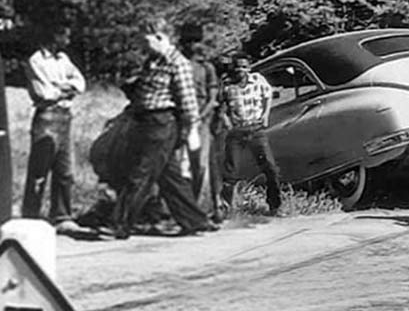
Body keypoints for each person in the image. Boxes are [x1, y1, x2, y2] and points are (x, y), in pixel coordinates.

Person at [109, 17, 217, 239]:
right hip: (145, 123)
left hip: (162, 124)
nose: (143, 46)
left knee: (141, 172)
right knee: (170, 177)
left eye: (146, 41)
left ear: (160, 37)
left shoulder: (178, 63)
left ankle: (120, 223)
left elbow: (188, 101)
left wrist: (193, 131)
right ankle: (195, 221)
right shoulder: (153, 61)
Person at [21, 24, 86, 234]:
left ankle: (62, 216)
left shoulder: (63, 60)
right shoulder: (36, 61)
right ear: (54, 36)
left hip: (65, 117)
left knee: (65, 170)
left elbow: (80, 83)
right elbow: (44, 93)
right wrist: (65, 88)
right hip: (47, 117)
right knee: (39, 172)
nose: (67, 41)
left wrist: (62, 86)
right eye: (64, 36)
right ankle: (31, 217)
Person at [219, 53, 282, 216]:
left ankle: (274, 206)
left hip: (256, 129)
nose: (241, 70)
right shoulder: (226, 84)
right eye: (237, 66)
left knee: (270, 168)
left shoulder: (258, 80)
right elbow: (219, 107)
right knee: (231, 171)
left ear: (249, 68)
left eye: (244, 66)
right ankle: (226, 210)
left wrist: (266, 114)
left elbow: (267, 96)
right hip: (237, 131)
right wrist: (226, 121)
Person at [179, 23, 221, 219]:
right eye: (188, 42)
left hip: (202, 121)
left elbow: (213, 97)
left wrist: (203, 114)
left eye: (195, 41)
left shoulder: (207, 67)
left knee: (201, 165)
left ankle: (200, 207)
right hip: (180, 120)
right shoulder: (177, 65)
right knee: (180, 167)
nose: (192, 46)